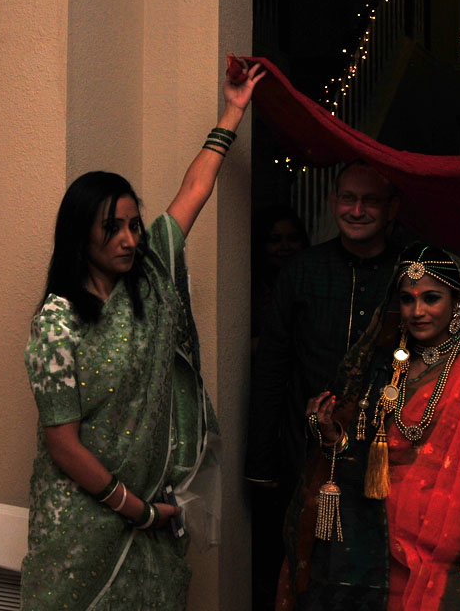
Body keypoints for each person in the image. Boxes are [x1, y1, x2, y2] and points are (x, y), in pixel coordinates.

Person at [20, 60, 265, 609]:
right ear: (80, 237)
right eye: (113, 229)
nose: (130, 240)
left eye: (134, 225)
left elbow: (195, 188)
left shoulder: (151, 280)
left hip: (154, 506)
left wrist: (232, 111)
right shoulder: (57, 322)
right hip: (82, 522)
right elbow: (62, 444)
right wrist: (136, 509)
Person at [278, 243, 460, 611]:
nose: (417, 311)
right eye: (408, 299)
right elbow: (363, 456)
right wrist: (333, 437)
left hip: (453, 542)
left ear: (458, 302)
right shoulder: (380, 369)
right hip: (379, 541)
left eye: (431, 298)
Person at [246, 161, 400, 610]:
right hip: (308, 454)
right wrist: (261, 463)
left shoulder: (407, 273)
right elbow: (272, 367)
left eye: (369, 201)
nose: (356, 210)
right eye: (348, 198)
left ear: (391, 208)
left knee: (382, 573)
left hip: (387, 455)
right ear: (333, 202)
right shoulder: (303, 270)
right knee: (312, 575)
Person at [251, 205, 310, 353]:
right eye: (275, 240)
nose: (285, 246)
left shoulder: (312, 283)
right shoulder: (249, 289)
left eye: (293, 238)